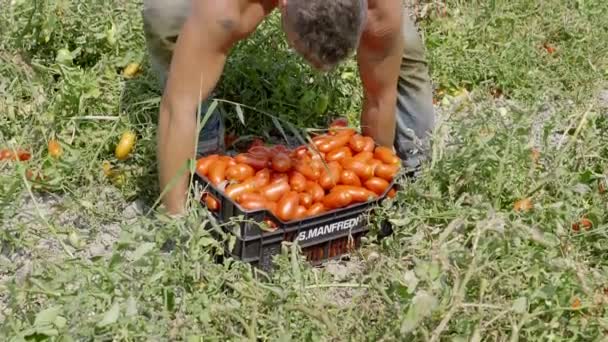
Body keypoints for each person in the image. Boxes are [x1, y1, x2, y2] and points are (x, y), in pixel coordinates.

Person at [142, 0, 435, 215]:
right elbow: (177, 106)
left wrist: (373, 176)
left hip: (376, 14)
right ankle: (198, 142)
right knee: (167, 15)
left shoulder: (379, 11)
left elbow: (381, 96)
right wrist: (175, 219)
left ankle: (417, 161)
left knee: (395, 42)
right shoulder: (224, 10)